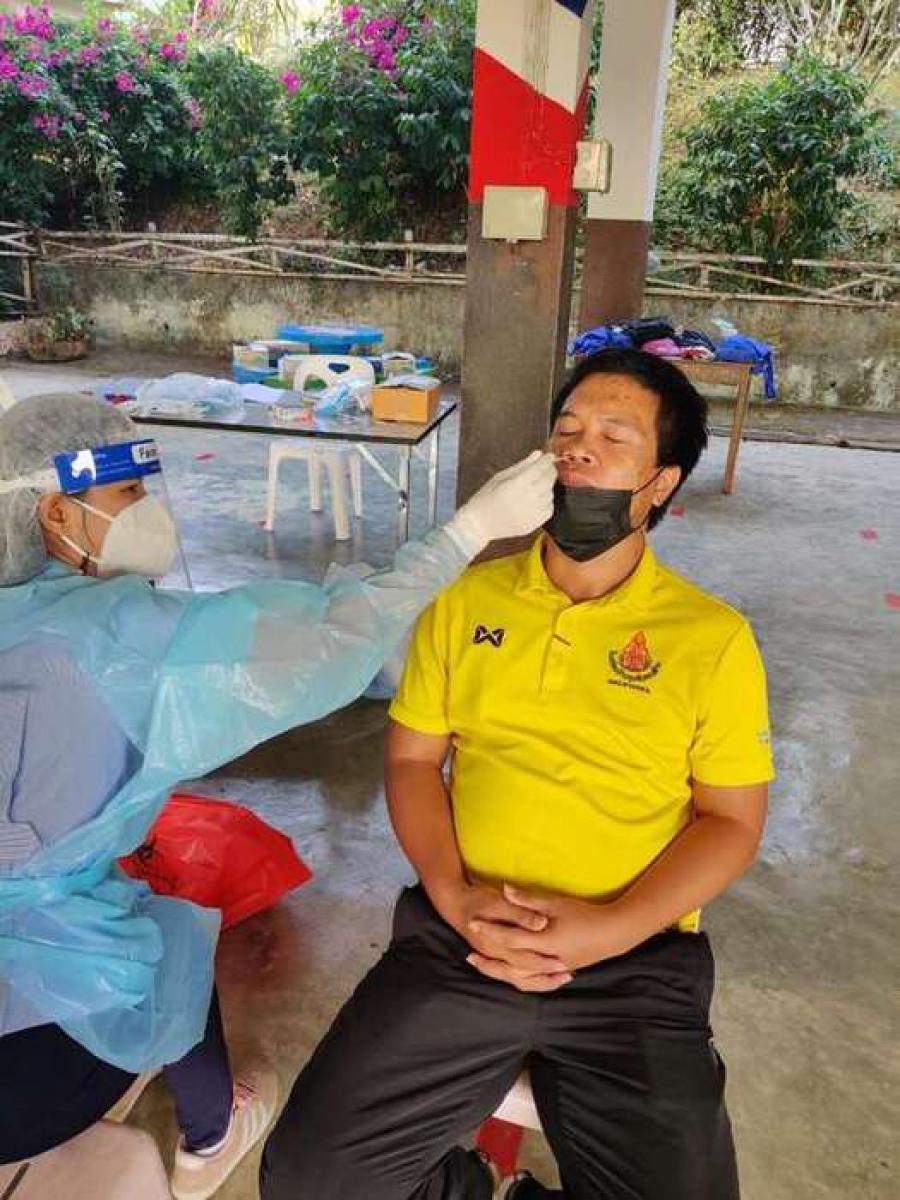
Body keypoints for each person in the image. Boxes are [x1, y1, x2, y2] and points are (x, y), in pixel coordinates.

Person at [0, 392, 556, 1199]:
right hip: (23, 1057)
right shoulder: (116, 639)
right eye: (129, 492)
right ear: (57, 513)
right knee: (168, 945)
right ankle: (210, 1133)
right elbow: (326, 634)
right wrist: (469, 530)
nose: (151, 510)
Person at [261, 348, 775, 1200]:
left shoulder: (712, 638)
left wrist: (609, 930)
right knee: (309, 1179)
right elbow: (413, 759)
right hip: (464, 934)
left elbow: (733, 823)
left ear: (660, 484)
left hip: (633, 962)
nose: (578, 448)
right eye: (567, 430)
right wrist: (453, 894)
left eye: (613, 436)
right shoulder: (466, 602)